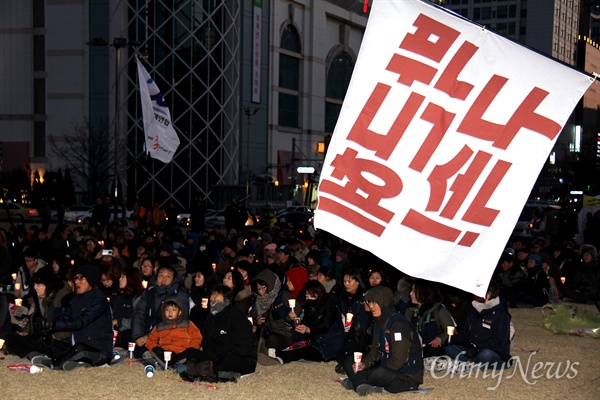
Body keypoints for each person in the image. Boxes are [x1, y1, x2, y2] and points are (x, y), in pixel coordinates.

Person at [28, 264, 114, 370]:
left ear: (91, 279)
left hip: (98, 350)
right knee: (50, 342)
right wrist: (49, 324)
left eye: (81, 278)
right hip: (76, 345)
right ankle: (74, 363)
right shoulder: (76, 299)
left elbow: (80, 322)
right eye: (75, 278)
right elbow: (65, 316)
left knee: (80, 349)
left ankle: (54, 363)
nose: (76, 281)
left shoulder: (99, 300)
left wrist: (54, 324)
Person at [341, 286, 423, 396]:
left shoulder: (398, 325)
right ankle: (362, 385)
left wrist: (373, 373)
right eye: (369, 303)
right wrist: (364, 364)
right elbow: (376, 350)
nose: (371, 306)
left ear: (384, 302)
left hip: (406, 377)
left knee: (379, 373)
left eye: (375, 303)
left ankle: (358, 382)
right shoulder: (379, 323)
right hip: (388, 372)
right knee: (349, 361)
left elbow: (399, 360)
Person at [184, 285, 257, 379]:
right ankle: (206, 369)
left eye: (216, 297)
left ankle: (210, 371)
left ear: (226, 301)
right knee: (191, 352)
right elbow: (207, 342)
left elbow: (243, 347)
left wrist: (221, 359)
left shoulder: (237, 318)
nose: (212, 300)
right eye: (212, 297)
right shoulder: (210, 318)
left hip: (239, 357)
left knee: (230, 360)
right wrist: (213, 357)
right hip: (217, 356)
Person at [445, 280, 512, 370]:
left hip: (493, 351)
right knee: (450, 349)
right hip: (472, 349)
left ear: (488, 294)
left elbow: (499, 341)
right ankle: (475, 363)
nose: (474, 294)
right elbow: (466, 333)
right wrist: (452, 339)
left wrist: (478, 348)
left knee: (485, 354)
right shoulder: (473, 309)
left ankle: (472, 363)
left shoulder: (500, 314)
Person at [275, 280, 344, 363]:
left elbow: (325, 325)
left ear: (317, 294)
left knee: (304, 351)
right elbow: (305, 324)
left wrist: (308, 329)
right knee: (295, 346)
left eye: (310, 295)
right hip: (314, 341)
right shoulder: (310, 306)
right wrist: (296, 320)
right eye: (306, 295)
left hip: (328, 343)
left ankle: (280, 357)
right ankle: (277, 354)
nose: (307, 298)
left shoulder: (330, 305)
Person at [131, 263, 189, 357]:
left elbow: (178, 320)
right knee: (125, 336)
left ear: (173, 279)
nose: (163, 279)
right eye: (161, 276)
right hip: (145, 332)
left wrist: (149, 336)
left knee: (143, 350)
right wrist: (138, 336)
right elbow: (138, 314)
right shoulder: (149, 292)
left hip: (166, 334)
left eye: (168, 276)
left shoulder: (179, 295)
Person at [144, 296, 203, 368]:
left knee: (195, 353)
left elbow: (197, 338)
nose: (170, 312)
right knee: (146, 354)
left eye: (174, 310)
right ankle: (166, 364)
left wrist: (189, 349)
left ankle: (168, 364)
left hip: (182, 352)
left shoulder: (188, 324)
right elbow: (150, 340)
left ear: (179, 312)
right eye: (167, 309)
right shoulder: (159, 326)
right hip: (165, 352)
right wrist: (156, 348)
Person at [406, 280, 455, 358]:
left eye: (414, 291)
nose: (410, 294)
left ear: (424, 293)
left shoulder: (438, 310)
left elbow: (451, 328)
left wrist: (440, 339)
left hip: (433, 353)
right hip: (416, 351)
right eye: (411, 290)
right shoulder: (410, 311)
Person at [112, 266, 145, 349]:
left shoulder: (139, 298)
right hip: (118, 338)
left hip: (130, 340)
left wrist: (119, 322)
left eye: (123, 277)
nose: (120, 279)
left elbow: (140, 321)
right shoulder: (119, 296)